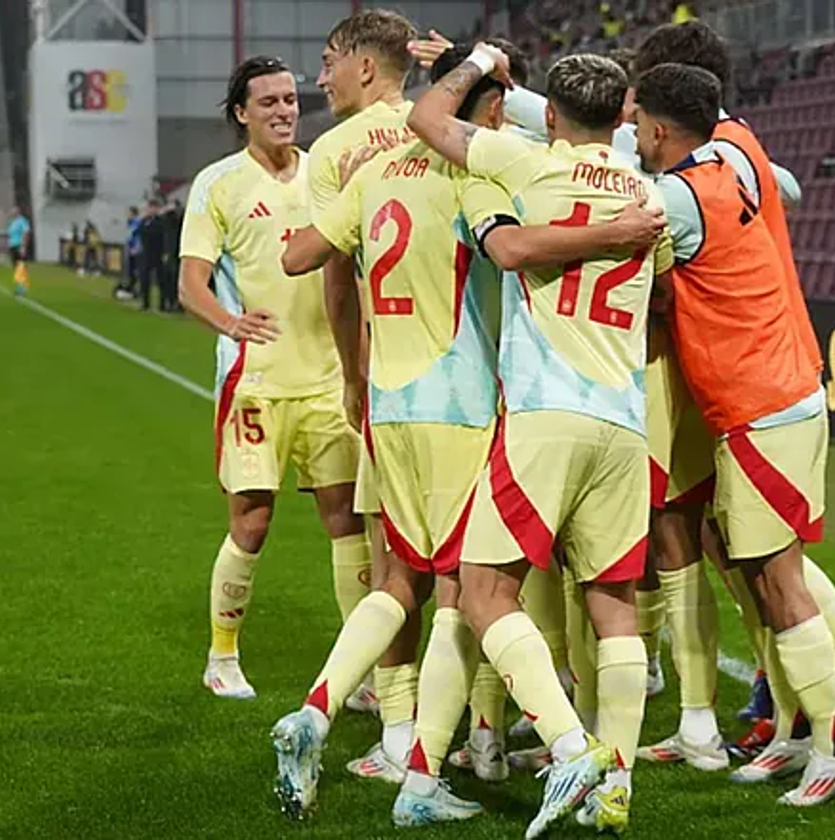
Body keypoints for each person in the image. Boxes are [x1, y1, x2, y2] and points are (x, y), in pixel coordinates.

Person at [269, 43, 665, 826]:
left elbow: (301, 255)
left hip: (388, 403)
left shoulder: (375, 169)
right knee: (464, 591)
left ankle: (319, 715)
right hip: (472, 404)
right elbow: (513, 245)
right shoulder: (491, 176)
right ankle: (450, 773)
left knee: (402, 582)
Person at [410, 47, 675, 836]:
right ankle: (616, 787)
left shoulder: (526, 162)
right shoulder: (648, 195)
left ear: (550, 115)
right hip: (624, 421)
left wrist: (480, 61)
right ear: (625, 112)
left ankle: (568, 748)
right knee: (614, 606)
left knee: (485, 591)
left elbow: (429, 118)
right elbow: (656, 297)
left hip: (543, 413)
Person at [631, 20, 835, 755]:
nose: (630, 111)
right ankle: (784, 696)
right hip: (773, 362)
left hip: (755, 377)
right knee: (739, 545)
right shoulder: (740, 148)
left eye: (639, 100)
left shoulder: (692, 180)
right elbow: (783, 185)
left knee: (758, 553)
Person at [177, 56, 367, 702]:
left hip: (327, 379)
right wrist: (230, 323)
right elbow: (190, 285)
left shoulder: (327, 171)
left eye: (290, 99)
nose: (285, 110)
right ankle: (221, 656)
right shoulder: (218, 184)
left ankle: (359, 669)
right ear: (241, 113)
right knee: (252, 524)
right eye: (268, 103)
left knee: (347, 522)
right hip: (254, 382)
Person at [307, 9, 424, 743]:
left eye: (328, 61)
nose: (319, 78)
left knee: (395, 564)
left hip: (393, 378)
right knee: (483, 565)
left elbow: (337, 277)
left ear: (366, 66)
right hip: (482, 378)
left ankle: (395, 717)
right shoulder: (447, 126)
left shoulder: (336, 151)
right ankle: (486, 723)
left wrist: (352, 373)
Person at [139, 199, 165, 311]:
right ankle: (145, 303)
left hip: (158, 254)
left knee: (161, 280)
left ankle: (162, 305)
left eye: (154, 208)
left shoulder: (161, 221)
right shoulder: (144, 221)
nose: (151, 210)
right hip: (146, 253)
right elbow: (140, 232)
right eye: (150, 208)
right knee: (144, 279)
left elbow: (162, 235)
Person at [116, 206, 142, 300]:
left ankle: (135, 290)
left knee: (134, 271)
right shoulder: (130, 223)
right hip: (130, 249)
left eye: (128, 213)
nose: (127, 215)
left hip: (135, 250)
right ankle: (130, 289)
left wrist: (136, 248)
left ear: (133, 214)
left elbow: (138, 236)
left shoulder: (137, 223)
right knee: (130, 271)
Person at [6, 206, 31, 297]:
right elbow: (11, 235)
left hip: (19, 246)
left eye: (13, 211)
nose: (11, 213)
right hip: (13, 246)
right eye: (11, 211)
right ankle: (19, 288)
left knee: (21, 267)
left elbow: (26, 232)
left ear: (18, 212)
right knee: (17, 268)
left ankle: (22, 289)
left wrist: (23, 246)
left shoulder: (22, 221)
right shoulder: (13, 222)